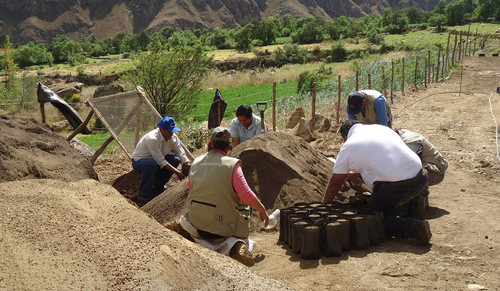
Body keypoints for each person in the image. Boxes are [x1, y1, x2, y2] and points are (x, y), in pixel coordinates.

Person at [322, 120, 432, 245]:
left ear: (345, 136)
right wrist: (348, 176)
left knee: (374, 220)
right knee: (391, 201)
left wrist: (325, 206)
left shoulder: (349, 145)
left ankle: (415, 227)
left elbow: (335, 183)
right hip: (421, 176)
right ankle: (412, 211)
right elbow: (377, 163)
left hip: (399, 186)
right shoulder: (381, 129)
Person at [179, 126, 269, 266]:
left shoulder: (196, 162)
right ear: (229, 146)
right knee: (245, 207)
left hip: (198, 223)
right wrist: (262, 209)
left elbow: (191, 187)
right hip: (222, 229)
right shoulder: (232, 165)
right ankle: (235, 245)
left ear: (211, 144)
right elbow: (245, 194)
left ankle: (187, 232)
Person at [132, 116, 190, 203]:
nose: (172, 134)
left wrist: (185, 164)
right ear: (161, 129)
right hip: (141, 162)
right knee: (151, 164)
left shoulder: (173, 138)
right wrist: (177, 172)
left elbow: (180, 152)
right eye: (169, 131)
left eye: (173, 131)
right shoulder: (152, 139)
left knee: (175, 159)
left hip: (156, 162)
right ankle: (144, 194)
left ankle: (158, 186)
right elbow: (161, 161)